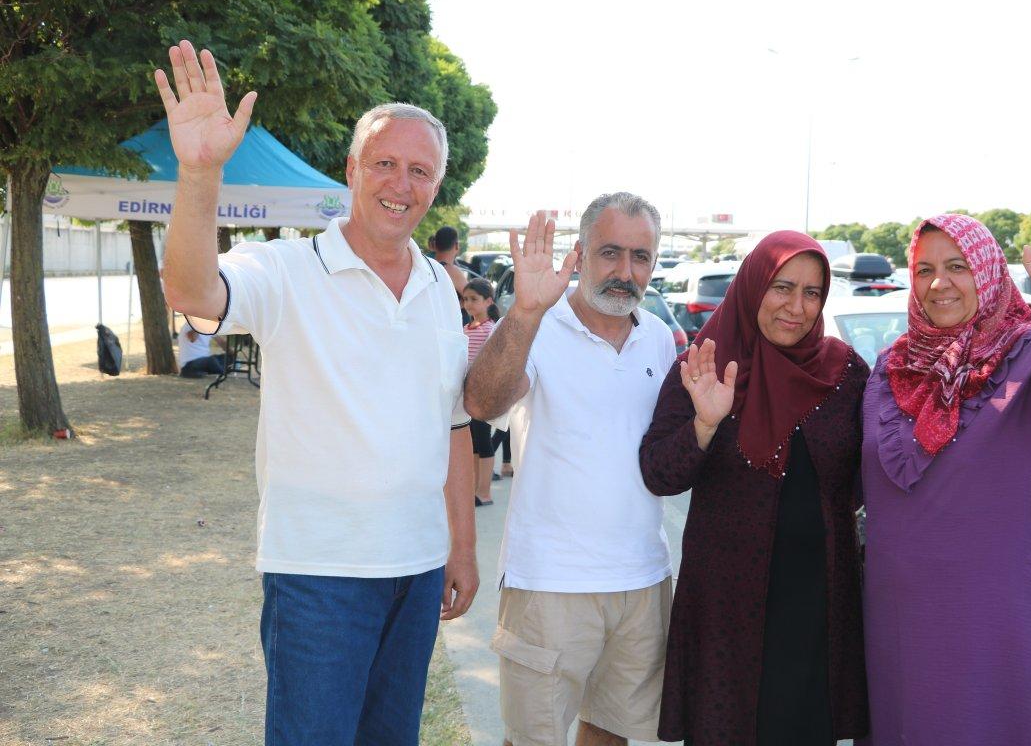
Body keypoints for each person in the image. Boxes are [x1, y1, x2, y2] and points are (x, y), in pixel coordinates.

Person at [154, 39, 478, 746]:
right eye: (385, 163)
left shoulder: (436, 289)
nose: (402, 182)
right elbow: (190, 289)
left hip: (418, 570)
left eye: (420, 170)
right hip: (319, 575)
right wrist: (199, 172)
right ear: (352, 170)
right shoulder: (287, 268)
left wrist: (463, 547)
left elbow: (451, 424)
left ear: (435, 185)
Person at [860, 209, 1031, 746]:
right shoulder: (891, 365)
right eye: (925, 269)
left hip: (993, 614)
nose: (939, 283)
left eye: (958, 266)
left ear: (986, 272)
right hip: (900, 616)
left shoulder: (1028, 352)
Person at [639, 231, 869, 745]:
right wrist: (703, 425)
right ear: (752, 287)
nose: (797, 306)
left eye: (812, 292)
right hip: (726, 606)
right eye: (782, 287)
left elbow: (869, 474)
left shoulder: (845, 372)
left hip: (819, 603)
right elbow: (658, 473)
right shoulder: (705, 364)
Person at [464, 194, 677, 746]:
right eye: (610, 253)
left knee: (611, 735)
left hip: (642, 579)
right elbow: (482, 403)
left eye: (640, 257)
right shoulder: (538, 326)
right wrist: (526, 313)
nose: (625, 272)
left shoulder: (657, 336)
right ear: (579, 255)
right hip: (550, 583)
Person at [463, 277, 500, 506]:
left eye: (474, 299)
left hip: (483, 393)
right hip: (467, 393)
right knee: (474, 443)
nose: (468, 304)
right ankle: (476, 488)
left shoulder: (491, 328)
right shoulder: (466, 328)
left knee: (483, 441)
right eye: (465, 299)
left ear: (488, 301)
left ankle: (484, 491)